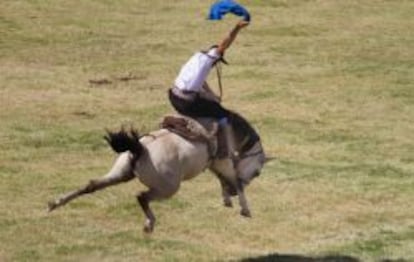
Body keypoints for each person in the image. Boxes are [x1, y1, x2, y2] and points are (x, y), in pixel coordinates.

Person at [168, 20, 249, 159]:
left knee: (209, 102)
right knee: (223, 115)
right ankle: (224, 152)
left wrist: (212, 95)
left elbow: (201, 82)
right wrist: (236, 28)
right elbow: (225, 43)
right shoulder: (209, 60)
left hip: (173, 96)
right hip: (186, 102)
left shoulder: (196, 58)